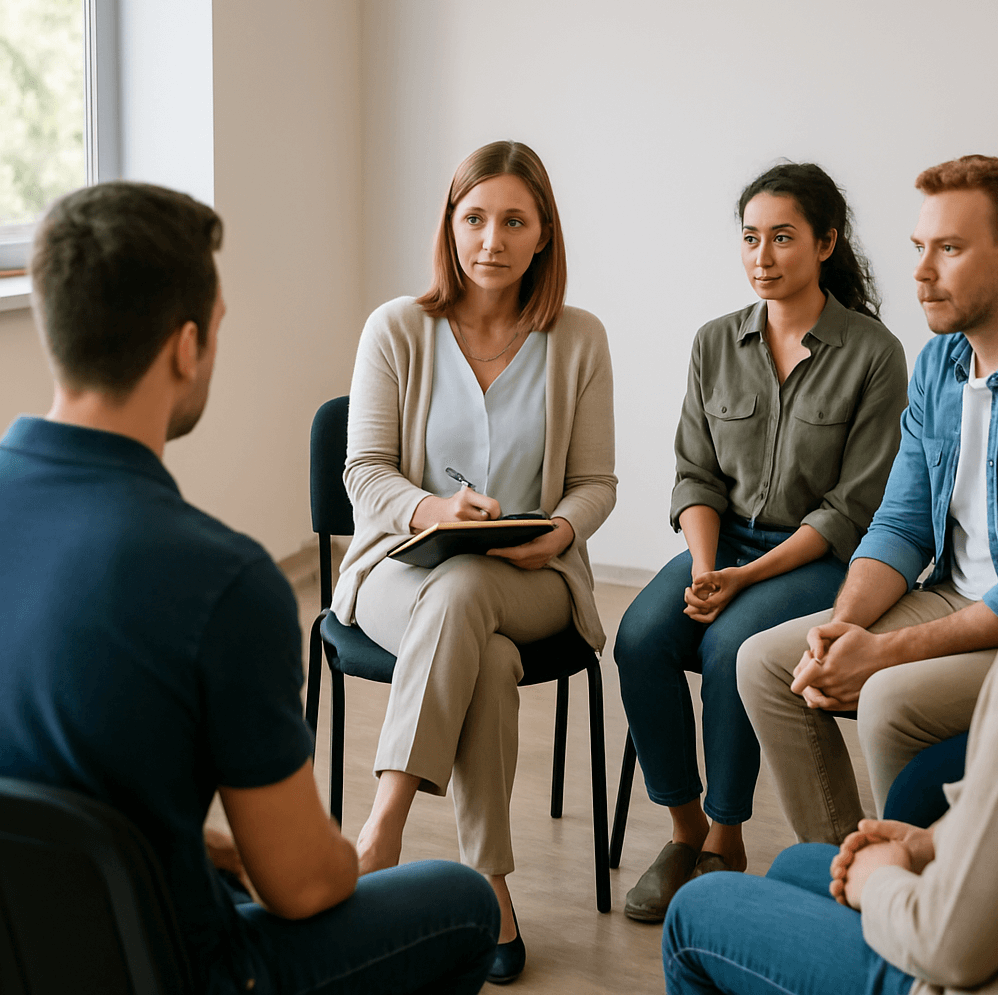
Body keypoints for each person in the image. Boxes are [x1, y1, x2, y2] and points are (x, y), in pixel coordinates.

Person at [0, 181, 499, 995]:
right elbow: (304, 888)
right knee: (461, 903)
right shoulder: (222, 583)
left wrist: (207, 847)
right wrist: (342, 856)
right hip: (179, 968)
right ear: (187, 346)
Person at [329, 140, 616, 983]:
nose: (491, 238)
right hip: (399, 569)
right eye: (474, 217)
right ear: (450, 227)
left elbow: (597, 483)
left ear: (543, 237)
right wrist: (429, 509)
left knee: (471, 596)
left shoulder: (580, 339)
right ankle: (491, 885)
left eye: (513, 221)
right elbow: (363, 471)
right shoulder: (397, 328)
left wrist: (559, 533)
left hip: (535, 578)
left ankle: (379, 832)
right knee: (478, 646)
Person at [614, 162, 907, 922]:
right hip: (725, 544)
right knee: (641, 636)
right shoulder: (715, 343)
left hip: (822, 558)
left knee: (729, 646)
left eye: (782, 237)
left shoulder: (874, 354)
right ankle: (681, 833)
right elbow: (696, 475)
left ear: (826, 242)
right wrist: (710, 568)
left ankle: (724, 835)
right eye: (751, 238)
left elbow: (853, 508)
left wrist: (746, 583)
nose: (763, 256)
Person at [737, 154, 998, 844]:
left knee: (890, 697)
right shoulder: (939, 365)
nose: (922, 273)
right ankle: (848, 873)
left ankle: (923, 906)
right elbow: (900, 522)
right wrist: (846, 628)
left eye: (949, 249)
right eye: (920, 249)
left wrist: (888, 653)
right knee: (771, 663)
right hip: (953, 594)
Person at [663, 597, 998, 995]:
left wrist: (876, 881)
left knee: (693, 910)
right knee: (795, 865)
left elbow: (950, 948)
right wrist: (934, 842)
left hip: (967, 973)